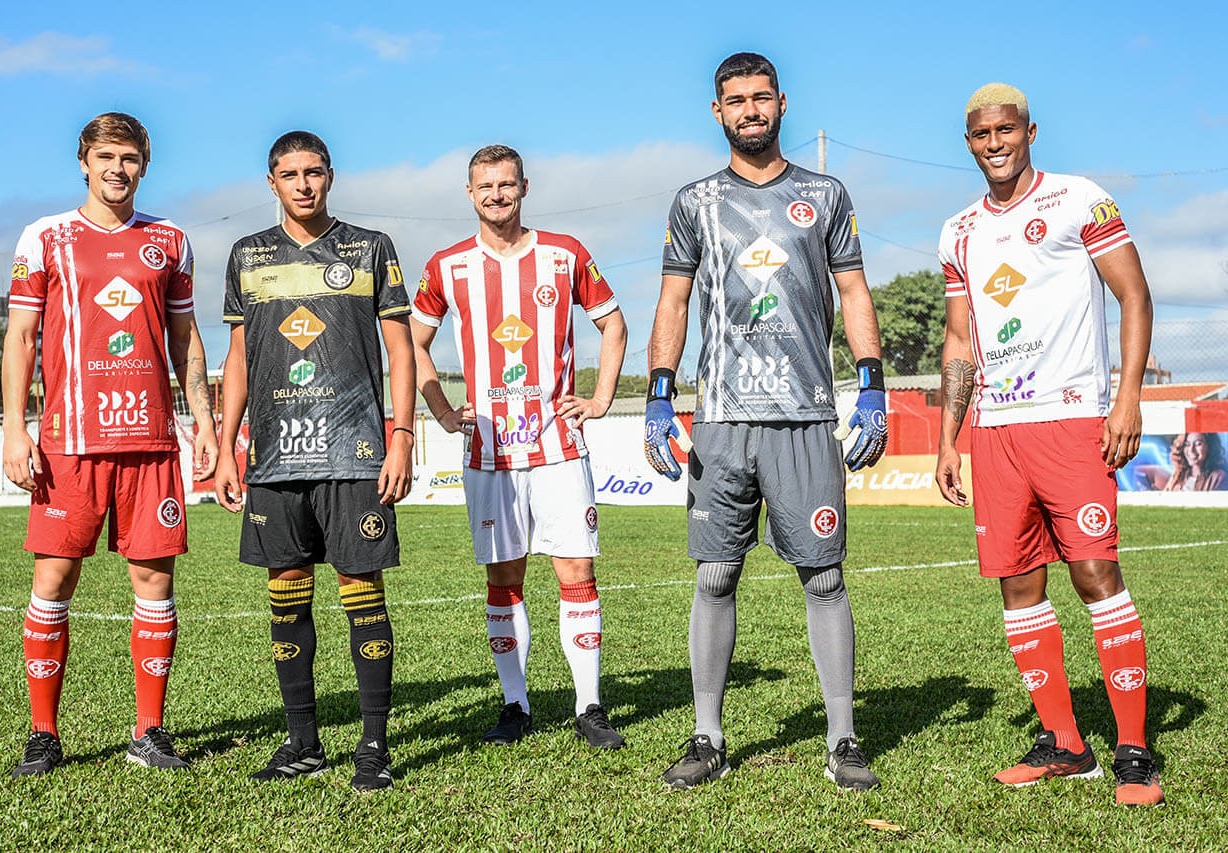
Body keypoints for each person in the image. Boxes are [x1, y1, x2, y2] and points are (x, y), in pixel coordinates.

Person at [645, 52, 888, 791]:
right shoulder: (694, 201)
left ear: (782, 102)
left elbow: (854, 292)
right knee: (716, 573)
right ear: (716, 111)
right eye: (736, 100)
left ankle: (842, 739)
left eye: (760, 97)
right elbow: (674, 300)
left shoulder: (825, 194)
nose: (750, 110)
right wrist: (659, 393)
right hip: (721, 416)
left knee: (824, 576)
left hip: (805, 414)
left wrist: (871, 384)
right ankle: (708, 736)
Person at [935, 83, 1162, 806]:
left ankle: (1134, 751)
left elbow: (1134, 294)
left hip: (1071, 420)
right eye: (981, 135)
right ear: (968, 143)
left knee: (1095, 573)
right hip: (995, 431)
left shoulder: (1078, 199)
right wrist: (948, 439)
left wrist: (1126, 397)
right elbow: (959, 339)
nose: (994, 144)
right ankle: (1066, 744)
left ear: (1029, 131)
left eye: (1005, 130)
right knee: (1018, 584)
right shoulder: (958, 231)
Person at [2, 112, 218, 776]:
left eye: (129, 158)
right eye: (105, 157)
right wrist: (14, 426)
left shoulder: (170, 240)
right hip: (70, 442)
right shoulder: (46, 237)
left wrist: (204, 420)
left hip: (150, 441)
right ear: (84, 162)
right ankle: (44, 733)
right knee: (54, 578)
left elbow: (185, 337)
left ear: (144, 165)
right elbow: (21, 338)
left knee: (155, 581)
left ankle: (149, 731)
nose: (117, 169)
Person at [212, 131, 415, 791]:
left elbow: (401, 347)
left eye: (314, 172)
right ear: (271, 182)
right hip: (275, 457)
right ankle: (303, 742)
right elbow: (238, 359)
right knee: (286, 598)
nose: (303, 184)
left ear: (331, 176)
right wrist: (227, 445)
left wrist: (403, 434)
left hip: (354, 453)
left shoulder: (370, 248)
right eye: (290, 174)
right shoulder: (248, 255)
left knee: (363, 596)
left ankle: (374, 745)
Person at [410, 144, 629, 750]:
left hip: (558, 445)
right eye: (485, 187)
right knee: (504, 577)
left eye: (506, 184)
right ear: (470, 193)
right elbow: (412, 344)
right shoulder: (447, 266)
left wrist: (600, 398)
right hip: (489, 452)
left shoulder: (565, 253)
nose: (497, 195)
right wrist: (441, 410)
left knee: (576, 571)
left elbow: (613, 324)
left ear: (524, 188)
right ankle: (515, 704)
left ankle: (589, 706)